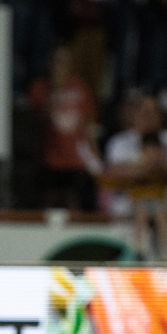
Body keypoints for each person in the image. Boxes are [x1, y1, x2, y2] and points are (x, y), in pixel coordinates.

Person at [101, 93, 167, 259]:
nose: (147, 116)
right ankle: (138, 253)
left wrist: (154, 168)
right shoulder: (119, 142)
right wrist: (149, 168)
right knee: (130, 259)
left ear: (160, 115)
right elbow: (113, 172)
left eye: (152, 112)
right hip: (126, 216)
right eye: (142, 111)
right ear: (133, 114)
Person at [29, 45, 99, 210]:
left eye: (65, 62)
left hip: (77, 161)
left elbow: (88, 124)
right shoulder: (39, 88)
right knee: (50, 204)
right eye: (57, 61)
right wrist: (56, 88)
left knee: (75, 203)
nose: (60, 66)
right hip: (50, 160)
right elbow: (40, 119)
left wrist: (96, 158)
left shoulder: (80, 87)